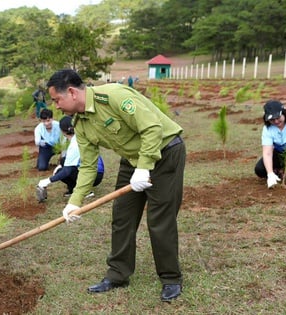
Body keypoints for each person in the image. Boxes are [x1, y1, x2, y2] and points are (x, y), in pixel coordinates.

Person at [46, 69, 185, 302]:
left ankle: (171, 278)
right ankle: (118, 274)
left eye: (56, 99)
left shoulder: (113, 96)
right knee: (122, 216)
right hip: (133, 160)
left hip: (165, 152)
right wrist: (74, 201)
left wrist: (145, 166)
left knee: (159, 219)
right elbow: (88, 165)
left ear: (70, 92)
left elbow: (152, 127)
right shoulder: (80, 123)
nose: (56, 106)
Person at [37, 115, 104, 199]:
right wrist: (60, 165)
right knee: (63, 162)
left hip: (93, 175)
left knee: (63, 171)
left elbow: (67, 170)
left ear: (62, 131)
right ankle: (73, 189)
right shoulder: (79, 137)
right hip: (96, 172)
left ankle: (85, 191)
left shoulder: (74, 145)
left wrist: (48, 181)